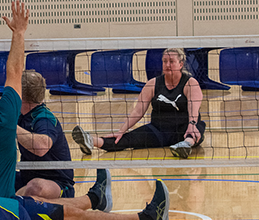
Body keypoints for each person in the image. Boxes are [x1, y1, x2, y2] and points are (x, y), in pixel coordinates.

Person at [0, 0, 170, 220]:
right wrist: (19, 32)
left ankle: (95, 198)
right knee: (74, 218)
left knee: (52, 205)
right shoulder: (5, 118)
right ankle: (148, 218)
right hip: (6, 213)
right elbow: (15, 70)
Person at [72, 48, 206, 159]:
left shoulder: (190, 83)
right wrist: (121, 130)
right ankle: (90, 141)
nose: (167, 65)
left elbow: (193, 106)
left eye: (171, 61)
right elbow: (138, 111)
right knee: (125, 139)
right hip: (158, 130)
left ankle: (185, 145)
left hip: (184, 128)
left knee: (197, 128)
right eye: (164, 61)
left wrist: (192, 124)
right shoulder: (153, 84)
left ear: (181, 64)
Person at [16, 69, 75, 199]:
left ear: (19, 94)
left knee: (35, 187)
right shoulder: (20, 114)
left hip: (57, 184)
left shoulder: (45, 119)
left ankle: (95, 198)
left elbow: (41, 147)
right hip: (26, 178)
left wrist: (12, 127)